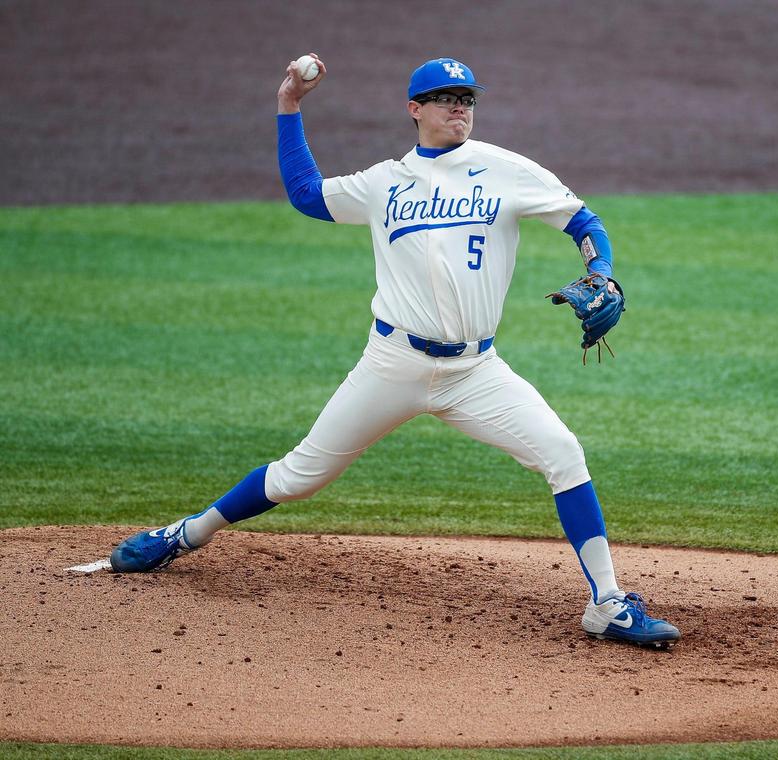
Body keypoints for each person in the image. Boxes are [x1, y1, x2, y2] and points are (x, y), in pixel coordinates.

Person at [108, 55, 680, 648]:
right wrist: (289, 107)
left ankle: (606, 603)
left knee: (563, 452)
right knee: (299, 476)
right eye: (445, 97)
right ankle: (187, 534)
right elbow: (307, 195)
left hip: (475, 371)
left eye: (467, 97)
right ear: (415, 109)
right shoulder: (384, 182)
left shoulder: (505, 169)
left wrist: (603, 272)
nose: (460, 106)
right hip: (392, 365)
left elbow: (583, 220)